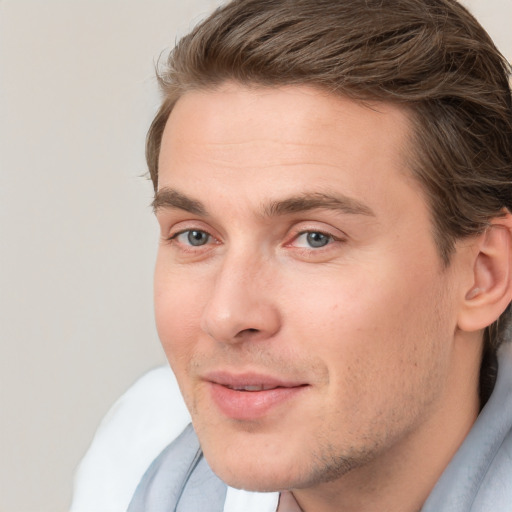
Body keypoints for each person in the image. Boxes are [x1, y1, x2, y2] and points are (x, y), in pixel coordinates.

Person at [71, 0, 512, 511]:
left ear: (484, 275)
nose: (226, 315)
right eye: (195, 236)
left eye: (314, 238)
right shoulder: (138, 454)